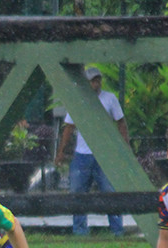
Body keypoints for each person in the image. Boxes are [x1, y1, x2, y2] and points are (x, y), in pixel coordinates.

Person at [55, 66, 129, 236]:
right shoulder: (78, 100)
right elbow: (69, 128)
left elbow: (121, 123)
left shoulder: (110, 99)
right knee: (78, 193)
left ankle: (117, 230)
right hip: (82, 154)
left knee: (110, 193)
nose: (95, 83)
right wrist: (61, 152)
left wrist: (125, 147)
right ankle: (80, 230)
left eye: (97, 80)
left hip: (105, 155)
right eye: (92, 80)